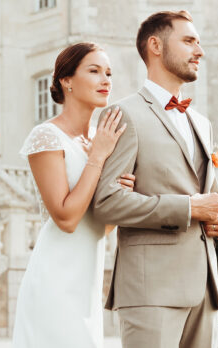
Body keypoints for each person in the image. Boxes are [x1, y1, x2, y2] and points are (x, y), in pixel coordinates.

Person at [93, 10, 218, 348]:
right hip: (151, 290)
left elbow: (210, 197)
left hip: (204, 289)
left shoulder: (201, 123)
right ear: (155, 46)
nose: (199, 51)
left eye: (199, 43)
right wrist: (188, 208)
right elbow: (106, 202)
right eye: (189, 41)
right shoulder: (123, 113)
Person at [12, 42, 135, 347]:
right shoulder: (46, 136)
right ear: (66, 81)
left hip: (87, 279)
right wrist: (98, 157)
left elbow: (98, 224)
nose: (105, 80)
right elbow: (66, 218)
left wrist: (120, 197)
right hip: (55, 276)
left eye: (108, 72)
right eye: (94, 71)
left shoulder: (101, 138)